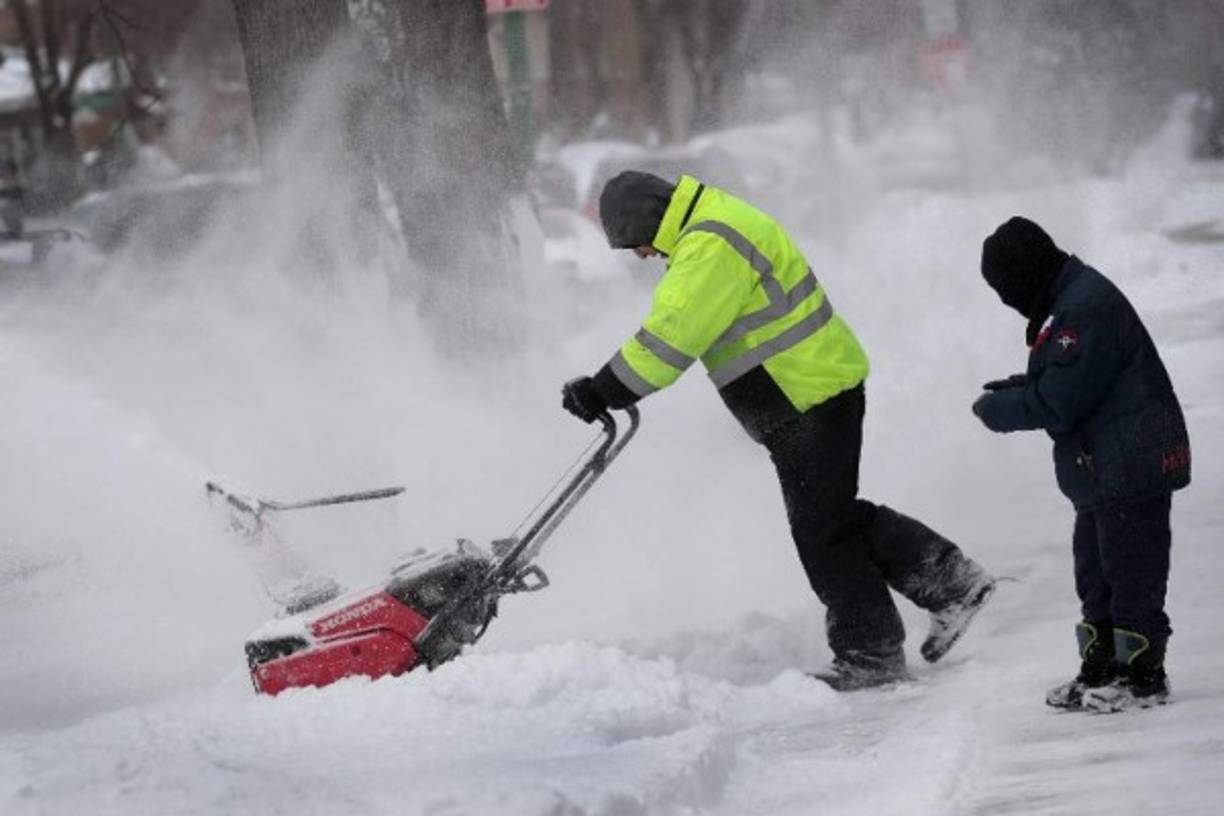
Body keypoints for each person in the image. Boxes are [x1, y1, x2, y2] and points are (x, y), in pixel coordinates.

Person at [562, 170, 995, 690]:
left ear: (652, 220)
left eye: (638, 243)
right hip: (810, 394)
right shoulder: (715, 223)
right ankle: (950, 585)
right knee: (834, 521)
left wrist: (602, 390)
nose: (642, 256)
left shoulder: (709, 245)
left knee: (823, 534)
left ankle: (874, 652)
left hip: (806, 397)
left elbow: (669, 340)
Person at [972, 217, 1191, 713]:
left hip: (1130, 461)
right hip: (1105, 465)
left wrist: (1000, 410)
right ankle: (1101, 667)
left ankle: (1141, 675)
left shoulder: (1082, 309)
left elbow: (1061, 400)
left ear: (1026, 273)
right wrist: (1017, 388)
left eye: (1005, 289)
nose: (1007, 301)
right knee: (1095, 570)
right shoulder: (1067, 300)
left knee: (1130, 569)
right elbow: (1069, 377)